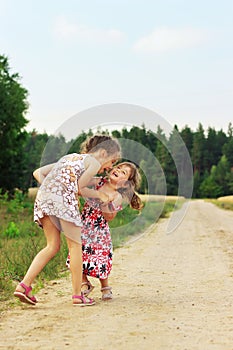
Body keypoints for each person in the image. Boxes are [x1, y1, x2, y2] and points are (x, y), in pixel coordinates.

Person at [14, 135, 121, 306]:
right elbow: (80, 188)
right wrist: (99, 194)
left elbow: (38, 173)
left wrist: (53, 187)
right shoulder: (93, 163)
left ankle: (24, 286)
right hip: (63, 202)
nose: (109, 167)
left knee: (52, 246)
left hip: (44, 199)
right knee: (75, 246)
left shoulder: (70, 158)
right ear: (103, 152)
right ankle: (78, 295)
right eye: (112, 161)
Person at [66, 162, 143, 300]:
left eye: (123, 173)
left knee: (100, 259)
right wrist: (75, 176)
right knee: (77, 255)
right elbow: (82, 182)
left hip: (99, 232)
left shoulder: (117, 196)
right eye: (118, 168)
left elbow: (110, 216)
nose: (118, 170)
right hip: (84, 225)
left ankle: (105, 286)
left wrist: (105, 202)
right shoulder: (99, 182)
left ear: (125, 184)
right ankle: (84, 283)